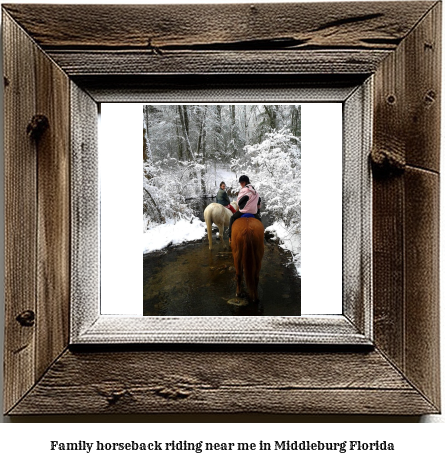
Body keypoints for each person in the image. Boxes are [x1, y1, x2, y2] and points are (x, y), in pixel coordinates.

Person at [228, 175, 261, 241]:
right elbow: (259, 201)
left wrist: (240, 207)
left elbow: (238, 202)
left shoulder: (243, 190)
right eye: (240, 183)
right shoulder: (255, 191)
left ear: (246, 182)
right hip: (253, 212)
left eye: (242, 182)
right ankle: (261, 236)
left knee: (232, 218)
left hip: (243, 211)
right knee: (259, 221)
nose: (241, 184)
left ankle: (230, 236)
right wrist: (257, 210)